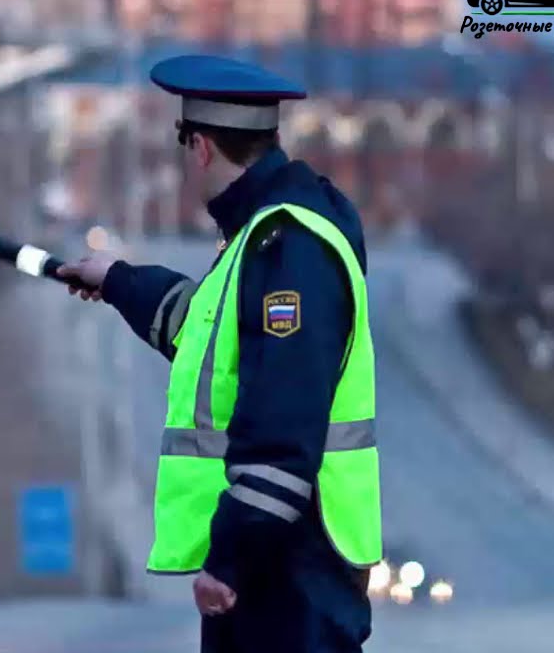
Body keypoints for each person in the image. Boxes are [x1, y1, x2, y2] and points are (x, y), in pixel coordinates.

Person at [59, 55, 381, 653]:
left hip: (288, 574)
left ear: (201, 146)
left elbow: (283, 429)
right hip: (282, 570)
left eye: (185, 146)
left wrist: (230, 558)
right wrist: (118, 282)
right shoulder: (267, 234)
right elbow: (206, 332)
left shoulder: (289, 247)